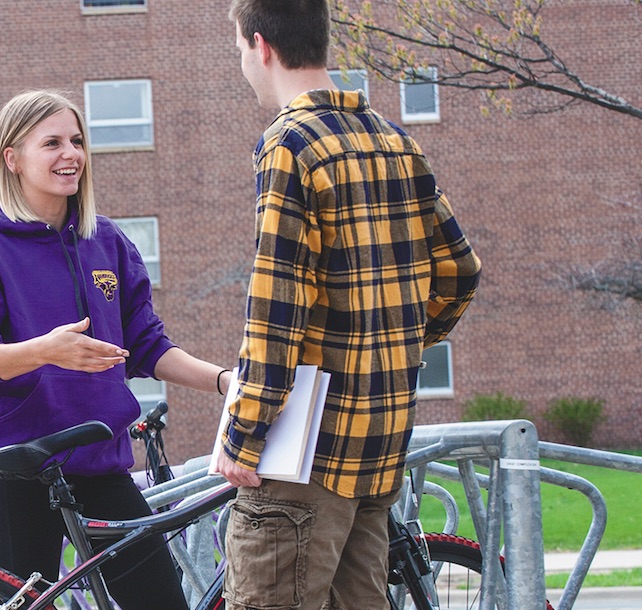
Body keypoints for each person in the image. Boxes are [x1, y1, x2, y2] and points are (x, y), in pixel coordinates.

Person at [214, 1, 483, 609]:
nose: (242, 63)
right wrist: (395, 345)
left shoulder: (288, 145)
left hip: (301, 455)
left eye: (238, 50)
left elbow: (276, 310)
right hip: (378, 449)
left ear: (261, 45)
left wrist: (242, 434)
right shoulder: (395, 142)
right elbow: (461, 272)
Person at [0, 89, 230, 609]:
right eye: (51, 143)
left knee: (161, 601)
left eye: (76, 140)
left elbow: (147, 347)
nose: (70, 154)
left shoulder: (108, 243)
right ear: (13, 158)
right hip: (15, 470)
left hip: (100, 465)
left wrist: (226, 381)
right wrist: (43, 350)